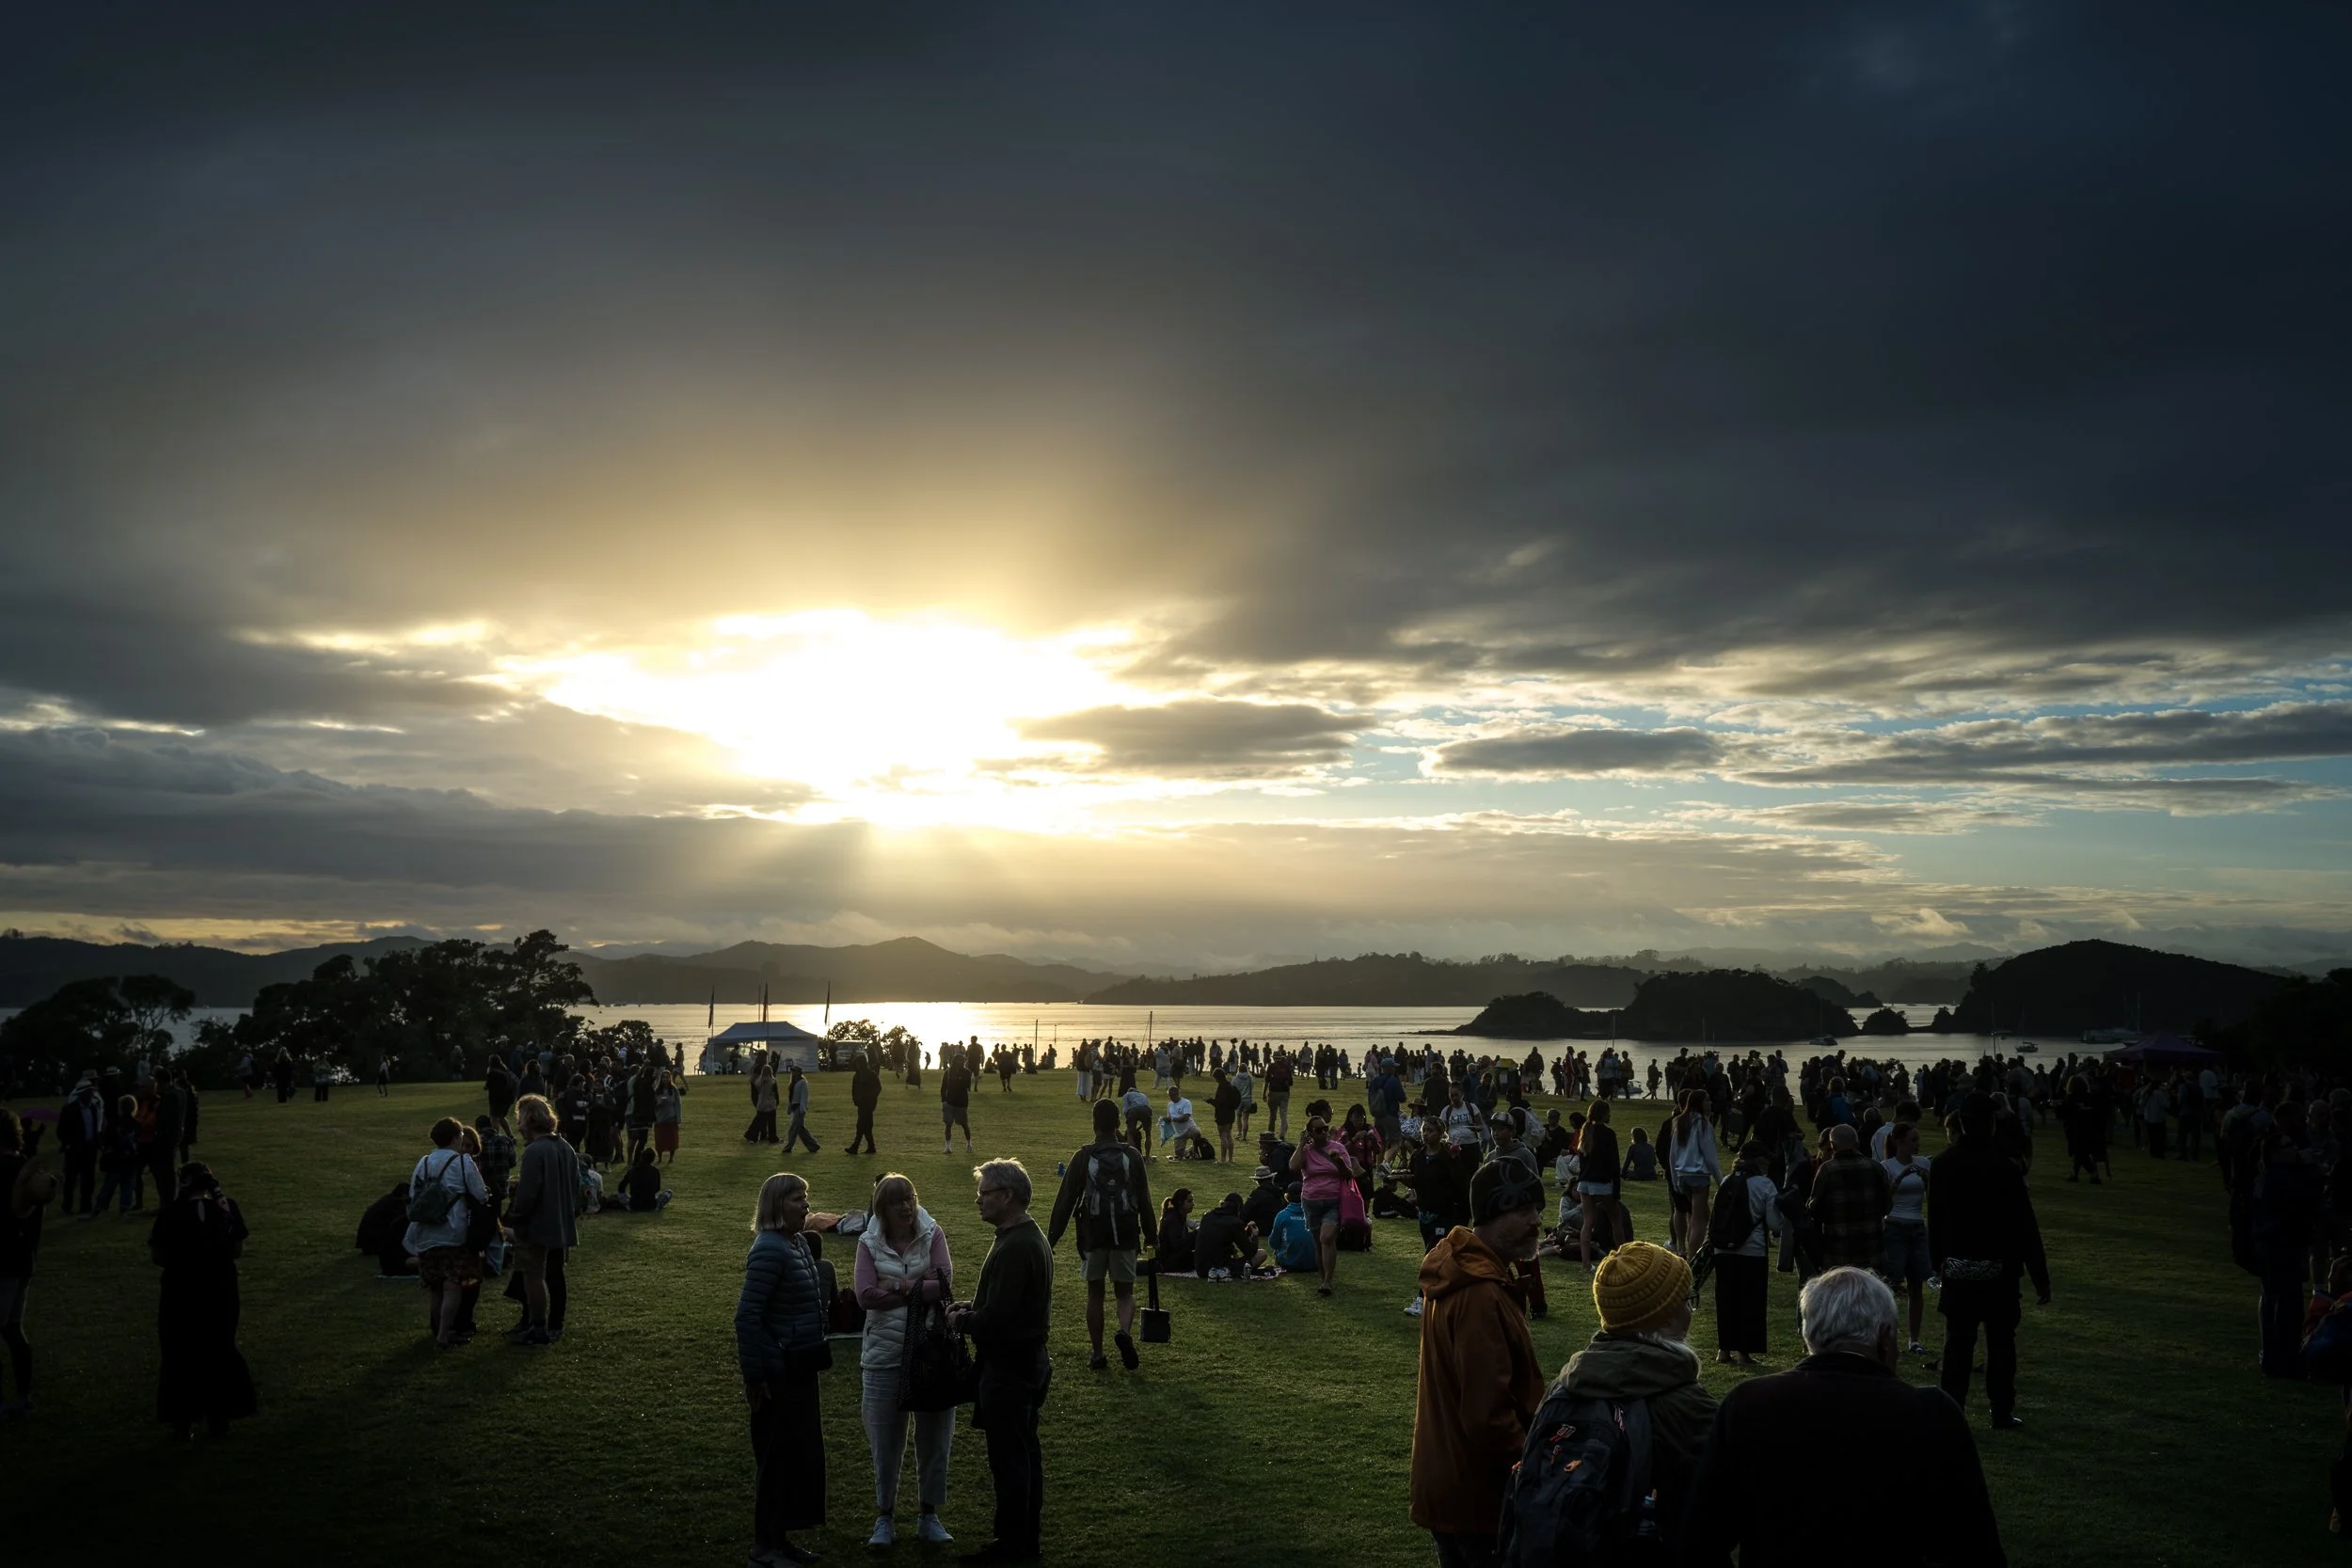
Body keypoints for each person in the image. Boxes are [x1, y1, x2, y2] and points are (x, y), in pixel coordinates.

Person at [1681, 1268, 2006, 1567]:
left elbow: (1701, 1537)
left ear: (1808, 1333)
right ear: (1885, 1336)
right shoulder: (1931, 1414)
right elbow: (1976, 1548)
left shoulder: (1749, 1404)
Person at [1408, 1158, 1548, 1568]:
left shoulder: (1464, 1269)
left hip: (1451, 1481)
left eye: (1537, 1209)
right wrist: (1534, 1467)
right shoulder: (1478, 1294)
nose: (1536, 1220)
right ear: (1491, 1213)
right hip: (1478, 1493)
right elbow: (1487, 1415)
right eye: (1523, 1211)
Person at [1555, 1241, 1716, 1557]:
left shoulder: (1568, 1382)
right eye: (1687, 1301)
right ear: (1666, 1317)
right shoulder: (1684, 1403)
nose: (1690, 1311)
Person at [948, 1160, 1053, 1565]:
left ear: (1007, 1196)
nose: (978, 1200)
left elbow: (1000, 1320)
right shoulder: (1023, 1237)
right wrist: (974, 1306)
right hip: (1027, 1363)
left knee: (1010, 1461)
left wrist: (962, 1320)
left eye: (985, 1193)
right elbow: (1010, 1303)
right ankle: (1024, 1541)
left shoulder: (1016, 1245)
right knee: (1024, 1454)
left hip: (1010, 1368)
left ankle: (1012, 1546)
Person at [1928, 1093, 2051, 1429]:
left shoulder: (1942, 1164)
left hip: (1958, 1269)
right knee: (2000, 1344)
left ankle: (1953, 1411)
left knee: (1958, 1344)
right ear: (1992, 1123)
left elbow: (1935, 1221)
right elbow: (2025, 1224)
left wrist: (1936, 1261)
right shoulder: (2003, 1168)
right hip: (2000, 1271)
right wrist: (2040, 1275)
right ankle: (2000, 1411)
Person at [856, 1173, 956, 1547]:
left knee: (935, 1437)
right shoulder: (869, 1242)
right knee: (885, 1440)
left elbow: (944, 1284)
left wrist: (896, 1286)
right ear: (882, 1208)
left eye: (910, 1198)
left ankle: (928, 1516)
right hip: (884, 1355)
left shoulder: (933, 1235)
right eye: (897, 1201)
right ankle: (885, 1516)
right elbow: (865, 1295)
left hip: (930, 1354)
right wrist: (920, 1290)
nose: (906, 1207)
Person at [736, 1173, 826, 1566]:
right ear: (776, 1205)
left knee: (795, 1457)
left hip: (801, 1366)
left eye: (805, 1197)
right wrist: (755, 1377)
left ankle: (782, 1540)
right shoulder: (769, 1249)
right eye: (795, 1199)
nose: (805, 1205)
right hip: (778, 1374)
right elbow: (747, 1317)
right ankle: (764, 1548)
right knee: (775, 1461)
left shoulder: (799, 1243)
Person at [149, 1162, 256, 1441]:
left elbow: (158, 1256)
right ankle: (218, 1419)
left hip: (180, 1291)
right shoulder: (225, 1209)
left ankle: (182, 1423)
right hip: (220, 1289)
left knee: (179, 1354)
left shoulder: (172, 1213)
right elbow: (237, 1250)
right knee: (219, 1349)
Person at [1045, 1097, 1153, 1370]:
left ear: (1094, 1124)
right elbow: (1144, 1198)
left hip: (1093, 1234)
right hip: (1126, 1232)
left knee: (1095, 1293)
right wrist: (1152, 1235)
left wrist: (1051, 1239)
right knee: (1124, 1292)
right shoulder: (1132, 1155)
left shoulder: (1083, 1156)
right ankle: (1124, 1333)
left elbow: (1065, 1201)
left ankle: (1097, 1353)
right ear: (1118, 1123)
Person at [407, 1116, 491, 1349]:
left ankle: (437, 1331)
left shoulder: (422, 1163)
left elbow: (414, 1198)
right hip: (454, 1231)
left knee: (436, 1288)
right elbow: (481, 1195)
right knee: (453, 1284)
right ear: (455, 1138)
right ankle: (445, 1335)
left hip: (426, 1233)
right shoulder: (463, 1163)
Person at [504, 1093, 580, 1346]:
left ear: (529, 1119)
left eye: (520, 1120)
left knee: (533, 1275)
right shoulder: (565, 1147)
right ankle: (555, 1323)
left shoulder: (535, 1151)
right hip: (560, 1221)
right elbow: (576, 1185)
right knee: (556, 1274)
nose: (518, 1126)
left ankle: (537, 1327)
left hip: (537, 1225)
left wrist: (514, 1216)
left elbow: (527, 1195)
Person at [0, 1109, 57, 1419]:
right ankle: (23, 1399)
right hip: (24, 1261)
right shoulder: (30, 1173)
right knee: (13, 1330)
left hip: (3, 1262)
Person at [1711, 1141, 1781, 1366]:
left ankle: (1724, 1350)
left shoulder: (1726, 1181)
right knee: (1750, 1302)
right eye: (1766, 1158)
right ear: (1758, 1160)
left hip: (1723, 1250)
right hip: (1752, 1250)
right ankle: (1744, 1353)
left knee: (1726, 1299)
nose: (1768, 1162)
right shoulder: (1765, 1184)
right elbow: (1774, 1223)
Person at [1290, 1114, 1359, 1297]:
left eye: (1326, 1128)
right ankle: (1324, 1279)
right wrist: (1300, 1145)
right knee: (1318, 1242)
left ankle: (1328, 1280)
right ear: (1310, 1133)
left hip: (1333, 1201)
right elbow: (1293, 1167)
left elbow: (1349, 1175)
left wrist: (1339, 1163)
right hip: (1310, 1201)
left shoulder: (1338, 1148)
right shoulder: (1306, 1150)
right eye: (1319, 1130)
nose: (1324, 1132)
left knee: (1326, 1237)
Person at [1881, 1121, 1935, 1352]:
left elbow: (1933, 1197)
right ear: (1899, 1142)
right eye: (1913, 1140)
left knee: (1917, 1285)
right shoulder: (1886, 1166)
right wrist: (1901, 1177)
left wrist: (1926, 1179)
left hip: (1917, 1227)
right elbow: (1884, 1200)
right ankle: (1887, 1337)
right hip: (1894, 1226)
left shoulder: (1923, 1163)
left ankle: (1914, 1340)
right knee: (1892, 1284)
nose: (1917, 1144)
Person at [1808, 1123, 1890, 1273]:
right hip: (1871, 1248)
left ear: (1832, 1145)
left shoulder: (1827, 1170)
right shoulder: (1876, 1168)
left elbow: (1815, 1209)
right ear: (1856, 1142)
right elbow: (1888, 1205)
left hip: (1838, 1250)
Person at [1666, 1090, 1720, 1256]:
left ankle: (1693, 1249)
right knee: (1698, 1221)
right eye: (1707, 1100)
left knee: (1701, 1215)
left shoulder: (1680, 1122)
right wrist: (1721, 1180)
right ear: (1700, 1103)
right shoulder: (1703, 1124)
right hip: (1699, 1175)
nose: (1710, 1103)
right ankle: (1693, 1256)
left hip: (1682, 1175)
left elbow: (1673, 1154)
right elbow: (1710, 1156)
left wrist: (1675, 1180)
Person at [1575, 1098, 1623, 1269]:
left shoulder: (1586, 1131)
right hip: (1601, 1182)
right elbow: (1614, 1163)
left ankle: (1586, 1263)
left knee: (1588, 1222)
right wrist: (1616, 1189)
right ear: (1604, 1114)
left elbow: (1582, 1159)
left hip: (1585, 1182)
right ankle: (1621, 1256)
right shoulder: (1608, 1134)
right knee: (1616, 1219)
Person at [1192, 1191, 1267, 1278]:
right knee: (1262, 1254)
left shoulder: (1207, 1216)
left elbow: (1220, 1239)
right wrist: (1254, 1236)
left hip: (1200, 1269)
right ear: (1238, 1209)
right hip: (1219, 1269)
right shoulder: (1234, 1222)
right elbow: (1250, 1252)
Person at [612, 1146, 671, 1212]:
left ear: (641, 1157)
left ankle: (629, 1204)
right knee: (669, 1192)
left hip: (634, 1204)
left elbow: (621, 1187)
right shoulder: (655, 1171)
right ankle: (656, 1206)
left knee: (618, 1196)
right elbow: (657, 1188)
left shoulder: (632, 1170)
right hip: (650, 1204)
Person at [848, 1051, 882, 1156]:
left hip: (868, 1104)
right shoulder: (857, 1076)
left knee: (861, 1125)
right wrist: (855, 1099)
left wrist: (870, 1098)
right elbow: (854, 1089)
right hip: (861, 1104)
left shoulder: (871, 1075)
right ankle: (871, 1147)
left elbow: (878, 1088)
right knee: (866, 1126)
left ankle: (855, 1146)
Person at [1155, 1188, 1196, 1275]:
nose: (1193, 1204)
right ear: (1180, 1203)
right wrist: (1195, 1235)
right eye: (1189, 1201)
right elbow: (1176, 1245)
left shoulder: (1180, 1217)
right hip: (1167, 1260)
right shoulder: (1172, 1219)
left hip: (1173, 1256)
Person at [942, 1053, 976, 1155]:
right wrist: (943, 1100)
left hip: (961, 1102)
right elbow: (943, 1087)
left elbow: (967, 1086)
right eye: (959, 1061)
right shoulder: (947, 1072)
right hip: (949, 1102)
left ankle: (969, 1144)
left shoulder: (967, 1072)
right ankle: (948, 1147)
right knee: (948, 1124)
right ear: (954, 1062)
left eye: (962, 1061)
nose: (961, 1063)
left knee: (964, 1124)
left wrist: (958, 1079)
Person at [653, 1070, 683, 1164]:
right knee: (659, 1139)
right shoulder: (657, 1090)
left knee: (672, 1139)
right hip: (660, 1118)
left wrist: (678, 1118)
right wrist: (659, 1104)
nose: (665, 1079)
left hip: (671, 1117)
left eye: (667, 1077)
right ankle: (660, 1158)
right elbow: (653, 1104)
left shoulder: (673, 1090)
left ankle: (671, 1158)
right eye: (663, 1077)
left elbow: (678, 1104)